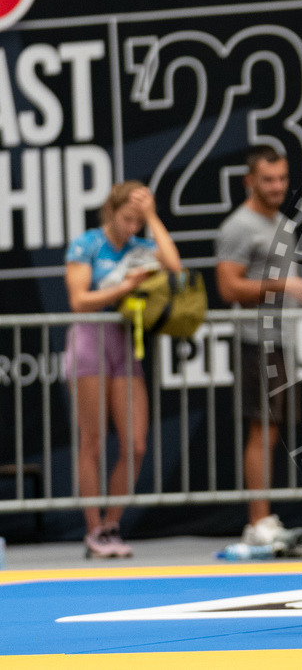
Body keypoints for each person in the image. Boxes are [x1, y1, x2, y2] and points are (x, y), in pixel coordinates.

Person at [65, 182, 182, 558]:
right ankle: (93, 530)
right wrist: (124, 287)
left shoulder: (139, 247)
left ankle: (112, 524)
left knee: (135, 443)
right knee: (92, 440)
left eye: (138, 221)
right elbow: (79, 300)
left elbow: (175, 267)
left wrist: (152, 217)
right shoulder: (87, 244)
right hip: (89, 339)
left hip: (124, 342)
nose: (132, 227)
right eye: (127, 218)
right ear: (110, 212)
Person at [215, 146, 302, 545]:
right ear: (249, 181)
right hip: (256, 341)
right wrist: (284, 285)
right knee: (261, 430)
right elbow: (228, 288)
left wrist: (298, 292)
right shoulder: (238, 227)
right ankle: (258, 521)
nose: (277, 186)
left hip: (281, 339)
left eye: (282, 178)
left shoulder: (281, 223)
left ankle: (263, 519)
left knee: (272, 430)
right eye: (268, 179)